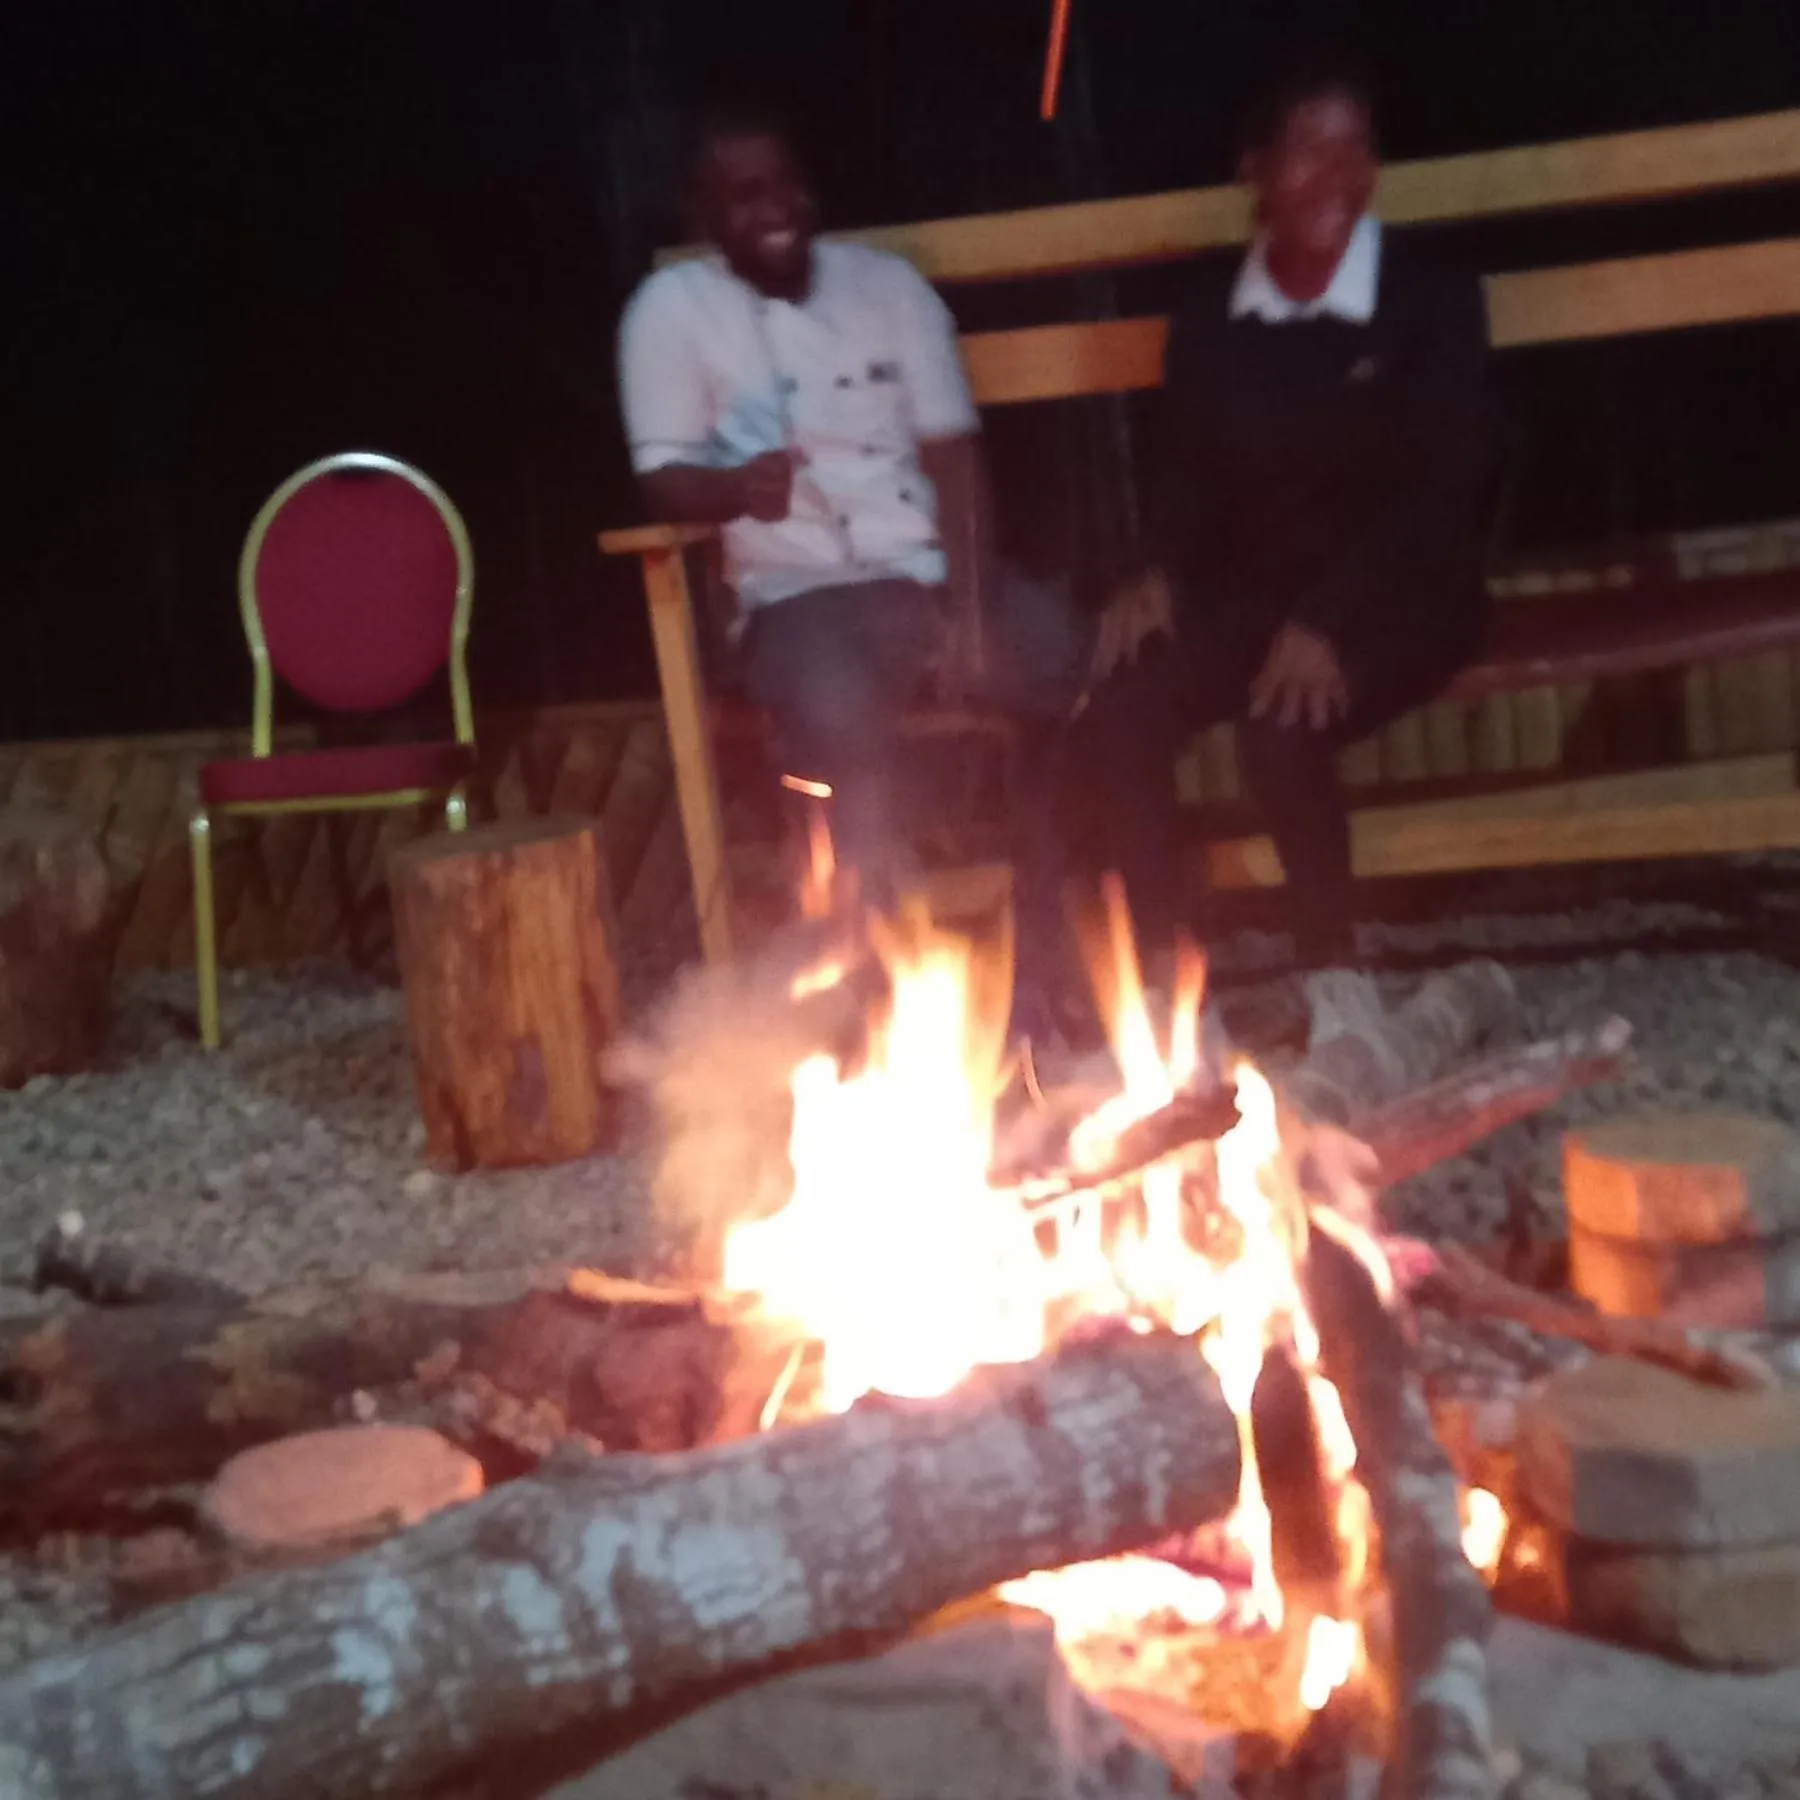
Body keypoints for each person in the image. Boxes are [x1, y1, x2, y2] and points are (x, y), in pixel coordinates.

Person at [1064, 50, 1497, 974]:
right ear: (1252, 170)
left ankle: (1331, 973)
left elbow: (1446, 490)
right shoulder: (1214, 316)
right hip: (1263, 593)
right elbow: (1186, 481)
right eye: (1308, 151)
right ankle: (1150, 978)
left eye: (1356, 151)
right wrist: (1153, 573)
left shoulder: (1430, 297)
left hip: (1407, 591)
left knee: (1281, 726)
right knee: (1125, 705)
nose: (1336, 177)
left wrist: (1327, 620)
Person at [616, 102, 998, 902]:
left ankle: (1059, 944)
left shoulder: (886, 288)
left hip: (920, 573)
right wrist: (733, 490)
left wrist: (969, 606)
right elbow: (661, 477)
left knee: (1071, 662)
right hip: (797, 595)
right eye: (746, 195)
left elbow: (953, 455)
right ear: (705, 214)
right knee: (835, 708)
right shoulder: (673, 310)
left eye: (785, 186)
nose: (776, 210)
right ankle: (886, 961)